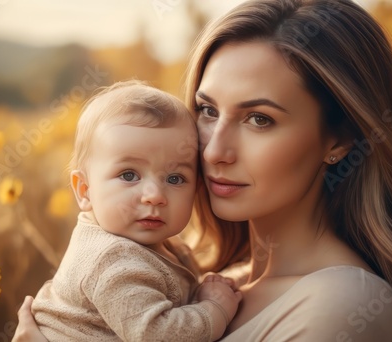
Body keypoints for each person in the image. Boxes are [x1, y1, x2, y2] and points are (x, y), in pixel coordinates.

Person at [13, 0, 392, 341]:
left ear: (340, 140)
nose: (214, 150)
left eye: (259, 119)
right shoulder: (208, 282)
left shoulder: (346, 303)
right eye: (207, 110)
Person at [30, 80, 242, 342]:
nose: (154, 195)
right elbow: (157, 335)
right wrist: (215, 309)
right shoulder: (111, 259)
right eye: (129, 175)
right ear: (85, 190)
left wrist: (201, 293)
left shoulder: (154, 243)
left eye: (175, 179)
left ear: (196, 188)